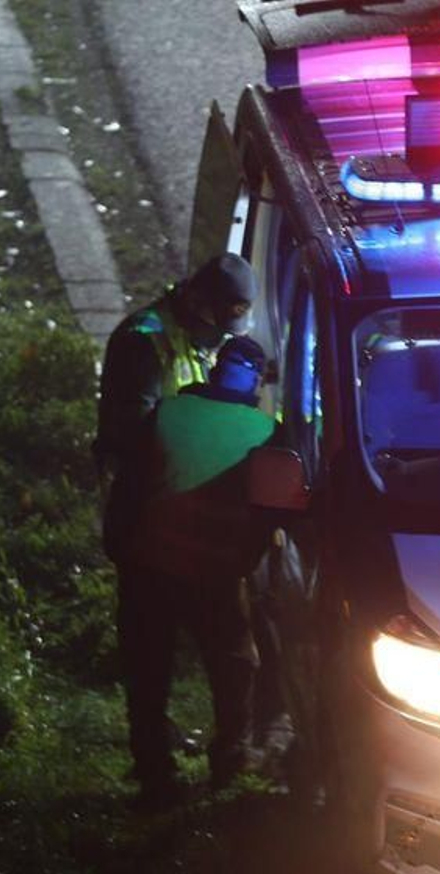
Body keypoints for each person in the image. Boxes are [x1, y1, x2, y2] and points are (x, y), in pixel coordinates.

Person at [102, 326, 278, 811]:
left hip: (147, 566)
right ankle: (231, 760)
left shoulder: (168, 411)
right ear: (257, 385)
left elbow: (128, 486)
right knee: (235, 665)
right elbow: (270, 514)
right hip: (214, 574)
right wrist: (247, 561)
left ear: (213, 373)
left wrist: (118, 547)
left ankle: (154, 772)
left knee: (148, 670)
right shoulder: (265, 432)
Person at [93, 253, 258, 480]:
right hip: (141, 482)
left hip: (182, 478)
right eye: (217, 324)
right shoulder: (144, 339)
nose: (220, 336)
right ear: (194, 301)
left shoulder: (195, 336)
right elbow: (136, 435)